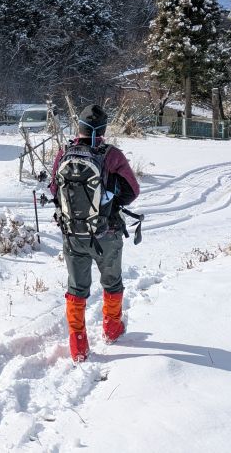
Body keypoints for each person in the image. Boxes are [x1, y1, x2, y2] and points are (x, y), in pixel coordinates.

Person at [49, 104, 140, 362]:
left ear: (78, 126)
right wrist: (110, 203)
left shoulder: (64, 152)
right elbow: (133, 190)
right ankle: (112, 329)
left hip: (72, 233)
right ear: (103, 129)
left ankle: (78, 346)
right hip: (106, 233)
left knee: (76, 288)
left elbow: (54, 189)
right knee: (111, 282)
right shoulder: (112, 155)